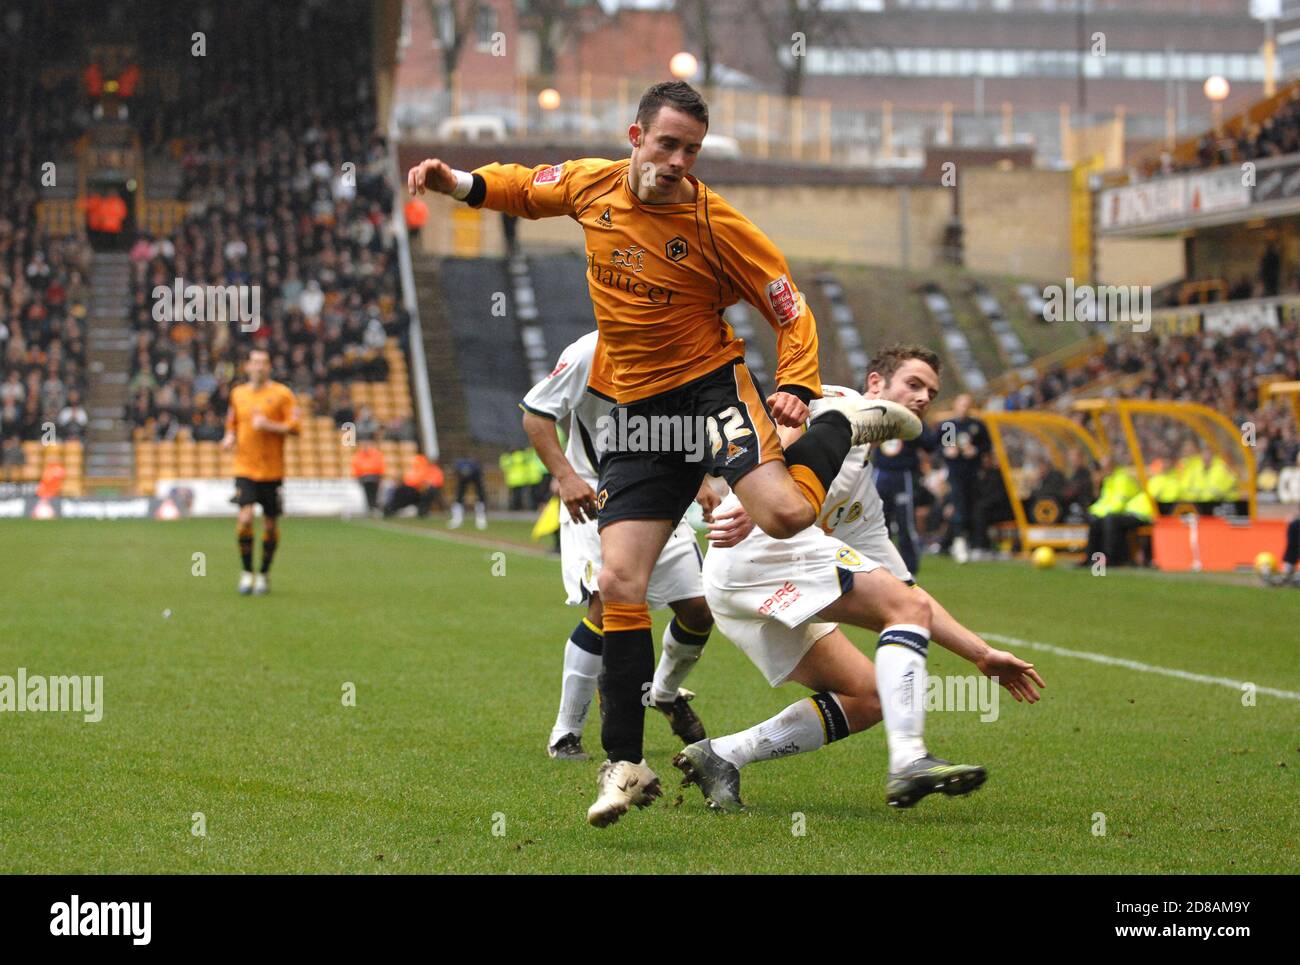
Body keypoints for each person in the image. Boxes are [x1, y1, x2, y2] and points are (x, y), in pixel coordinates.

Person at [408, 80, 916, 827]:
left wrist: (802, 388)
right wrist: (457, 183)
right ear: (635, 134)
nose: (679, 161)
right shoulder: (592, 184)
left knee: (781, 514)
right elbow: (522, 187)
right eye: (668, 143)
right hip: (641, 417)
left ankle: (847, 420)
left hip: (711, 391)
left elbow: (789, 305)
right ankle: (626, 764)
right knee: (618, 579)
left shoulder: (718, 224)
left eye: (692, 150)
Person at [682, 347, 1044, 811]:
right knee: (902, 612)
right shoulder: (840, 402)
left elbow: (910, 594)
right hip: (755, 553)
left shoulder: (862, 501)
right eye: (912, 384)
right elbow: (778, 431)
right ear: (876, 384)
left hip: (739, 579)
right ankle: (910, 759)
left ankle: (722, 755)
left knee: (870, 696)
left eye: (931, 393)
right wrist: (763, 503)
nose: (922, 398)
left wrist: (982, 654)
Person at [521, 331, 714, 761]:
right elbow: (536, 416)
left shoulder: (678, 344)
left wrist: (699, 478)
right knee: (607, 607)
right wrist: (567, 477)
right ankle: (565, 733)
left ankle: (662, 693)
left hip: (658, 491)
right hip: (596, 493)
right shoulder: (587, 353)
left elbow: (686, 424)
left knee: (699, 609)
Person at [222, 348, 300, 595]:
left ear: (269, 367)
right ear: (247, 366)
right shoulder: (238, 394)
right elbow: (232, 423)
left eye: (264, 363)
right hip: (244, 467)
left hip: (272, 470)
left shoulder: (282, 394)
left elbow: (296, 427)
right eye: (255, 362)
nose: (259, 367)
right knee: (244, 518)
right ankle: (247, 574)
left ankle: (264, 574)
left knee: (269, 525)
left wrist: (269, 425)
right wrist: (229, 437)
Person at [871, 425, 936, 575]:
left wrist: (948, 428)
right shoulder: (878, 415)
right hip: (881, 474)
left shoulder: (911, 420)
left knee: (906, 524)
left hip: (903, 475)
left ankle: (909, 568)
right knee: (875, 523)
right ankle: (878, 566)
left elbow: (931, 445)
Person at [937, 394, 991, 563]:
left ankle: (974, 543)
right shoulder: (949, 426)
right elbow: (943, 448)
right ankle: (958, 542)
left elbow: (986, 446)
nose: (964, 407)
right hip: (956, 472)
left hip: (973, 473)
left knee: (974, 506)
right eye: (961, 404)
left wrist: (976, 451)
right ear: (955, 405)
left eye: (967, 404)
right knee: (958, 506)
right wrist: (948, 452)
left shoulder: (976, 425)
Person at [449, 457, 486, 530]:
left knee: (480, 496)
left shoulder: (476, 470)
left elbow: (481, 491)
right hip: (464, 480)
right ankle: (457, 519)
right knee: (459, 496)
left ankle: (480, 518)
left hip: (475, 476)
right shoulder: (459, 468)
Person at [351, 438, 386, 514]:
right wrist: (357, 476)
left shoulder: (376, 454)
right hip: (365, 478)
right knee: (368, 494)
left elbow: (380, 465)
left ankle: (374, 508)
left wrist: (381, 476)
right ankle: (371, 508)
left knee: (374, 494)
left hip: (374, 477)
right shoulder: (359, 455)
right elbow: (356, 466)